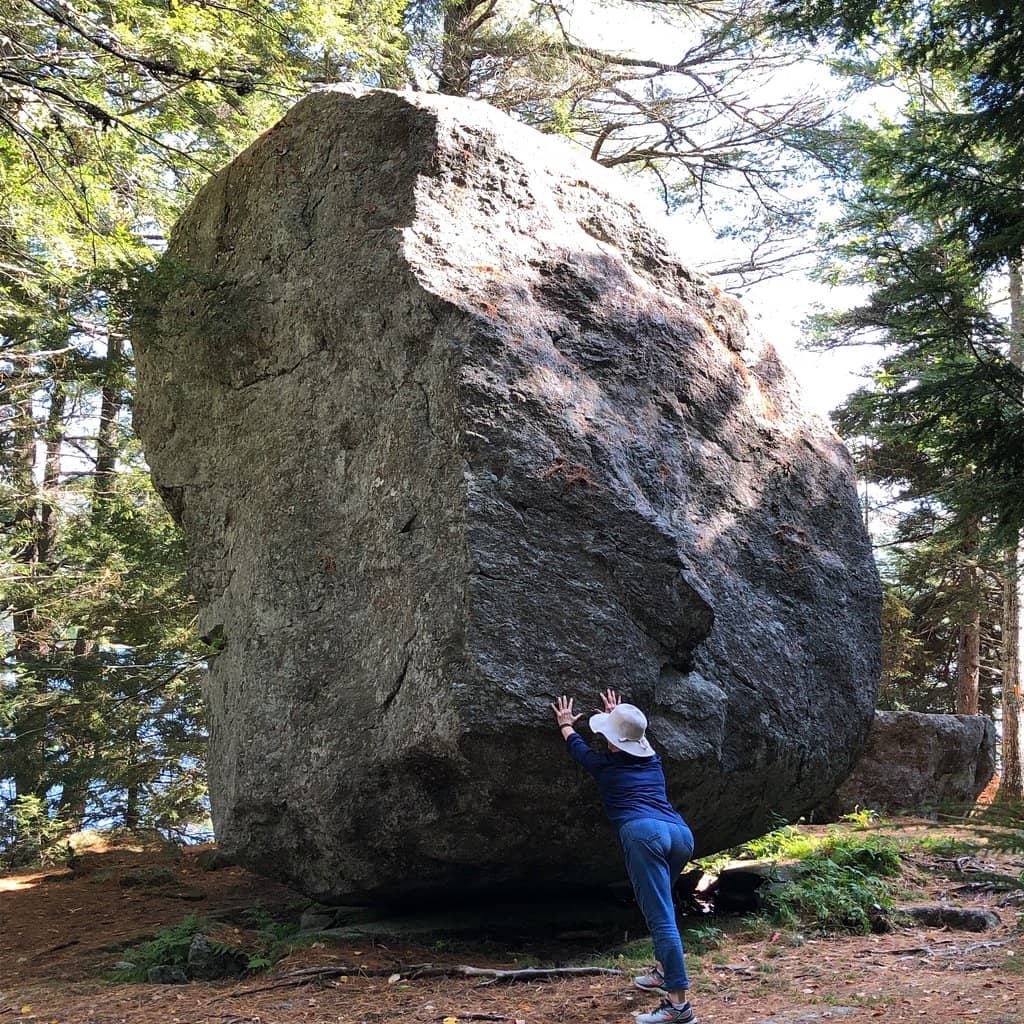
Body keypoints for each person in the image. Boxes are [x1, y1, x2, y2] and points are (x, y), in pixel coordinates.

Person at [551, 689, 696, 1024]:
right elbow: (628, 736)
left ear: (614, 743)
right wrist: (619, 717)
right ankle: (662, 971)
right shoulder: (654, 761)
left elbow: (579, 748)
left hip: (644, 834)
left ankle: (679, 1007)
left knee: (661, 919)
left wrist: (565, 724)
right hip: (680, 834)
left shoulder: (606, 767)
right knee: (664, 906)